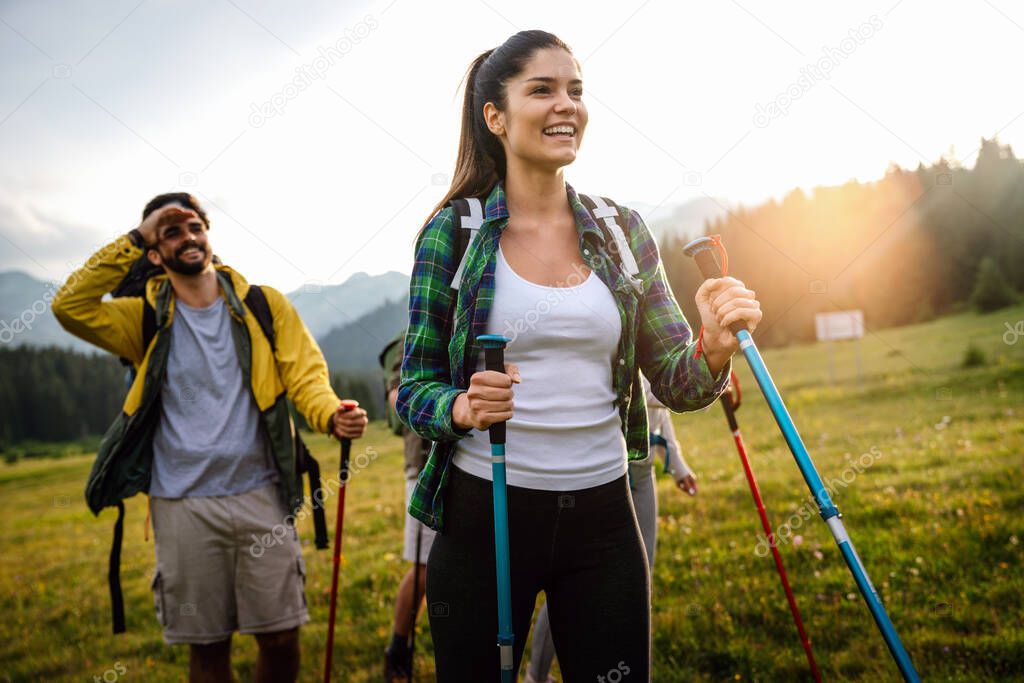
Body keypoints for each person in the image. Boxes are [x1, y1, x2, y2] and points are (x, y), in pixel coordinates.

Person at [396, 30, 762, 682]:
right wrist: (459, 404)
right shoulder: (454, 231)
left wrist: (711, 344)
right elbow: (412, 388)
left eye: (576, 90)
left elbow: (678, 381)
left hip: (604, 518)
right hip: (485, 516)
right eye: (542, 89)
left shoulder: (621, 230)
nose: (566, 104)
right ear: (496, 116)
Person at [51, 193, 368, 683]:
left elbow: (305, 375)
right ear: (153, 254)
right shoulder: (143, 318)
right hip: (182, 505)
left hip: (262, 494)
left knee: (282, 637)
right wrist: (137, 236)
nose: (187, 237)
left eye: (194, 226)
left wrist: (329, 414)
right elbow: (68, 305)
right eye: (170, 232)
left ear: (208, 235)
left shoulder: (263, 305)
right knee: (207, 646)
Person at [524, 375, 698, 683]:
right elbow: (633, 389)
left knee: (640, 578)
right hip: (605, 469)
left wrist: (678, 465)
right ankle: (536, 675)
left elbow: (661, 415)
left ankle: (616, 667)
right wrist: (694, 379)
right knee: (567, 584)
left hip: (643, 472)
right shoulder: (622, 332)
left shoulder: (661, 335)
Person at [379, 329, 436, 681]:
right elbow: (396, 395)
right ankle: (398, 648)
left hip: (473, 465)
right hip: (425, 465)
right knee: (425, 568)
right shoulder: (417, 325)